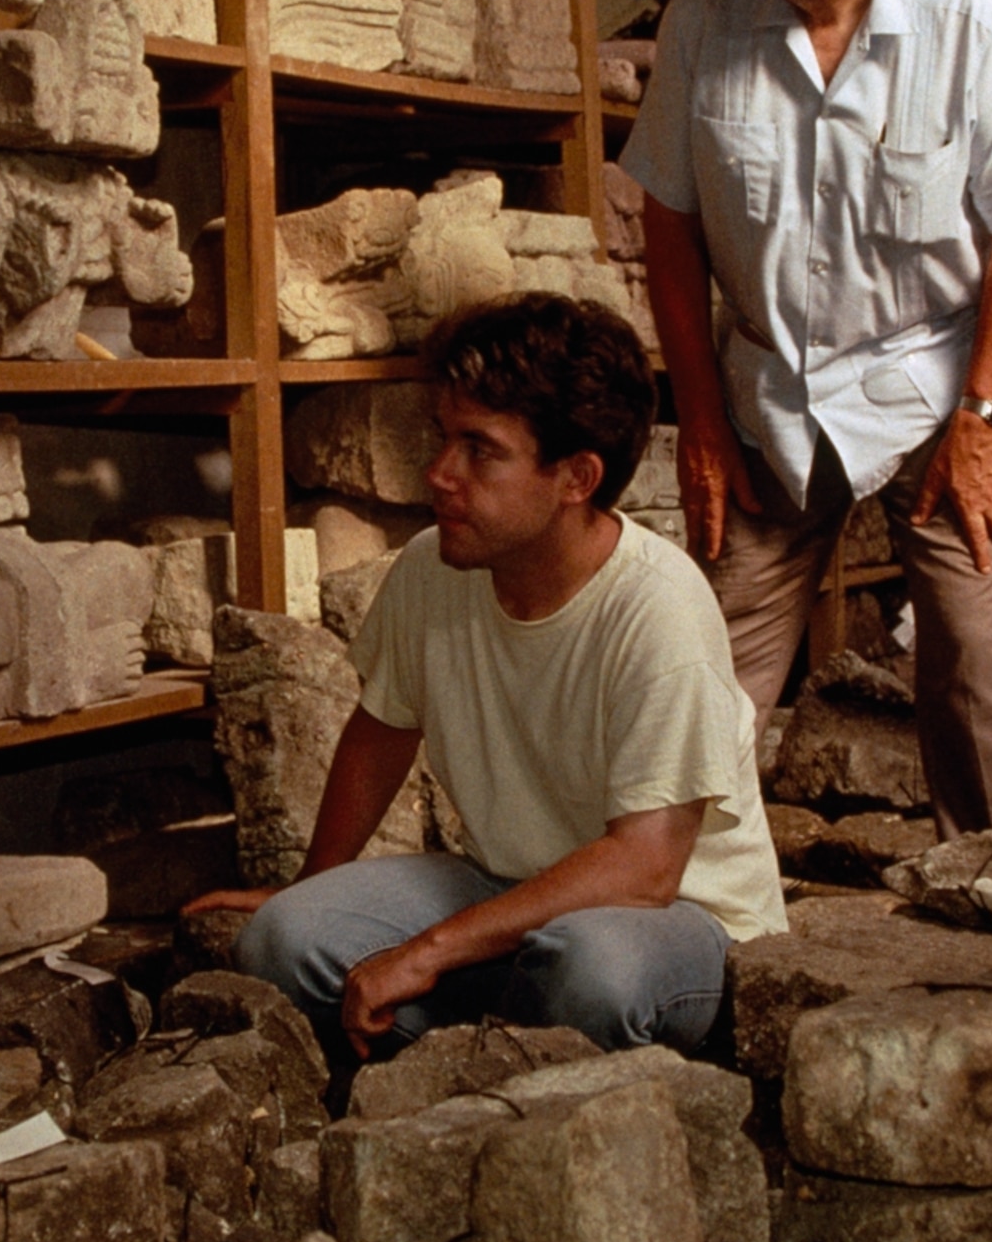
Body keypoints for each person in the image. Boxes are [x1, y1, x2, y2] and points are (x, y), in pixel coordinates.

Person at [623, 0, 992, 844]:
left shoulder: (971, 20)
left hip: (932, 386)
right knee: (715, 658)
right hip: (767, 387)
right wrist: (697, 420)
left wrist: (981, 424)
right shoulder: (705, 14)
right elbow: (669, 223)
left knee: (975, 652)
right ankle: (670, 898)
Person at [188, 293, 785, 1063]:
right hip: (504, 890)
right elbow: (381, 730)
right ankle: (489, 1047)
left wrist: (429, 951)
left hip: (675, 918)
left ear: (576, 477)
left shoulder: (658, 607)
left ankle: (499, 1047)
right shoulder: (432, 570)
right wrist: (309, 882)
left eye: (480, 449)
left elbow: (645, 867)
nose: (440, 474)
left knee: (590, 973)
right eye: (444, 438)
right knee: (286, 939)